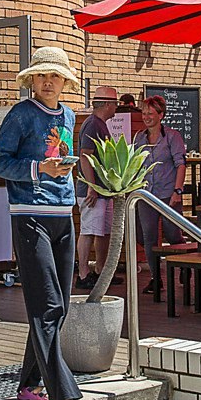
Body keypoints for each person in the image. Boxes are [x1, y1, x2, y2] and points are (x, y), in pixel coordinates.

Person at [0, 45, 92, 400]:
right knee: (46, 304)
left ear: (65, 81)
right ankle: (62, 397)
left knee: (60, 304)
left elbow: (62, 160)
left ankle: (30, 381)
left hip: (63, 214)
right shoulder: (21, 113)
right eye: (42, 75)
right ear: (31, 80)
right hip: (29, 214)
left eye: (56, 76)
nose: (49, 81)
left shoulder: (67, 114)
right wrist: (37, 168)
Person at [134, 94, 188, 296]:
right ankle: (157, 279)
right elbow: (136, 164)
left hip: (168, 193)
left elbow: (180, 164)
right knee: (147, 237)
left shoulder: (172, 137)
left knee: (173, 234)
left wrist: (178, 190)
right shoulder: (139, 138)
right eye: (144, 113)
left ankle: (185, 266)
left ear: (161, 115)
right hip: (147, 195)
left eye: (150, 113)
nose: (146, 116)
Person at [75, 85, 119, 293]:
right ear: (108, 104)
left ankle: (101, 271)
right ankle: (83, 274)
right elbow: (85, 155)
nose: (116, 108)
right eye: (116, 103)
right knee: (89, 231)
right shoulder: (93, 125)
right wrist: (91, 186)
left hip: (101, 190)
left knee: (101, 231)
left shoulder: (98, 124)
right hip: (92, 190)